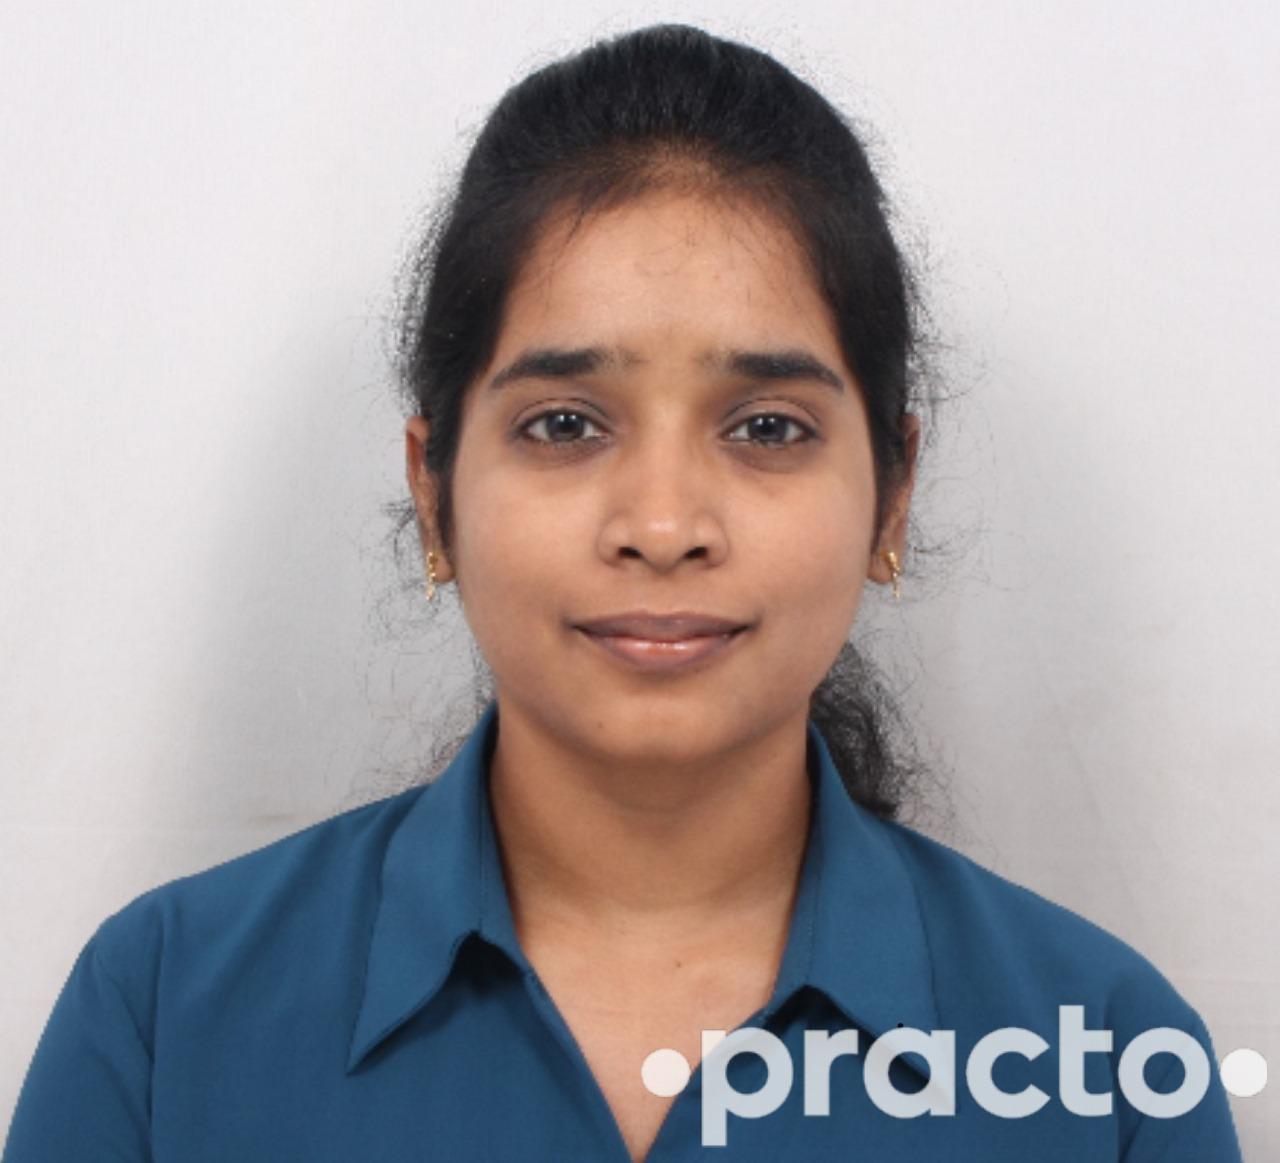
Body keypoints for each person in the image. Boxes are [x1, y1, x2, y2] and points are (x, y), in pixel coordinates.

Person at [2, 22, 1244, 1162]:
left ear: (891, 493)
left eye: (765, 426)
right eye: (563, 423)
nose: (661, 526)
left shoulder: (1107, 1067)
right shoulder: (164, 1014)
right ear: (433, 490)